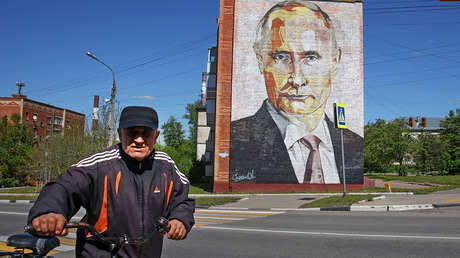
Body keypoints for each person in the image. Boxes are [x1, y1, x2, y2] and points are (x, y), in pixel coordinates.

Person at [28, 106, 195, 258]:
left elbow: (182, 200)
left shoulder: (166, 166)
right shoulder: (100, 164)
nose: (138, 140)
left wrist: (179, 219)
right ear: (120, 133)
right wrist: (49, 212)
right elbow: (64, 186)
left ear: (156, 136)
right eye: (132, 133)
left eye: (145, 133)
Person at [230, 0, 363, 184]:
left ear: (335, 61)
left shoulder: (354, 144)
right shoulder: (235, 140)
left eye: (311, 57)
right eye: (281, 57)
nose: (297, 80)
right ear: (260, 61)